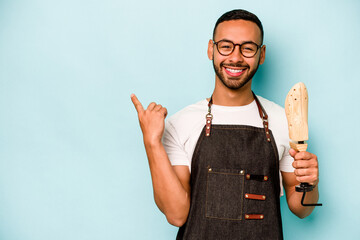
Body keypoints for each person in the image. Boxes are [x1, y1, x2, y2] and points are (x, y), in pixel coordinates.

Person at [131, 9, 320, 240]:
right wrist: (152, 143)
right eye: (226, 46)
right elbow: (176, 214)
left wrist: (310, 184)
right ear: (211, 49)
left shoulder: (283, 121)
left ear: (261, 55)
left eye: (248, 47)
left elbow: (302, 209)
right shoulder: (181, 123)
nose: (236, 57)